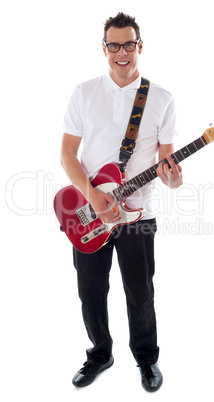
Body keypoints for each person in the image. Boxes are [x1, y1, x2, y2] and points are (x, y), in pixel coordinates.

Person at [60, 12, 183, 393]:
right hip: (90, 211)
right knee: (90, 291)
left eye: (129, 44)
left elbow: (168, 163)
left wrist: (174, 178)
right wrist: (92, 194)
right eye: (114, 45)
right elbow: (67, 154)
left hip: (139, 214)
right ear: (104, 49)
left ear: (139, 46)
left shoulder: (161, 98)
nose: (122, 52)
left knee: (140, 291)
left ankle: (146, 360)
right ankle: (100, 355)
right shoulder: (84, 93)